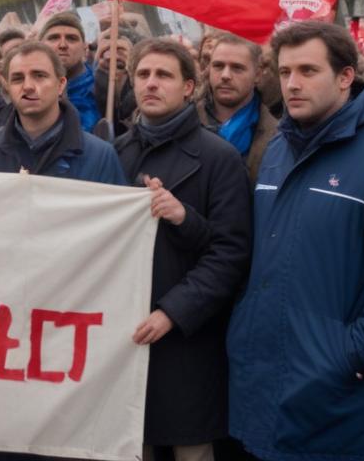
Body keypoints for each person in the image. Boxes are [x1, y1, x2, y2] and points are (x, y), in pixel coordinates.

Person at [227, 21, 364, 461]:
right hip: (270, 387)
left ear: (345, 77)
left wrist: (351, 355)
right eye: (285, 72)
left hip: (345, 400)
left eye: (308, 70)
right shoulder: (277, 152)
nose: (293, 84)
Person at [113, 39, 252, 461]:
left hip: (188, 339)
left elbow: (231, 253)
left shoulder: (220, 157)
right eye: (143, 75)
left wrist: (173, 312)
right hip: (124, 330)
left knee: (190, 448)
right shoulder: (115, 151)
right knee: (133, 446)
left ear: (189, 87)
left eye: (164, 75)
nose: (151, 84)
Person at [0, 42, 126, 184]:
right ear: (8, 88)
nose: (28, 87)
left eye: (39, 76)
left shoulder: (100, 156)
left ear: (60, 85)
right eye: (18, 79)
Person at [195, 35, 277, 180]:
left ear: (257, 75)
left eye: (237, 68)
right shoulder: (185, 123)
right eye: (218, 66)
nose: (225, 75)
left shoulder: (279, 136)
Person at [40, 13, 101, 133]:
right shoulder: (27, 87)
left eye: (71, 38)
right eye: (54, 38)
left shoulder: (103, 87)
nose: (62, 45)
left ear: (85, 48)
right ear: (40, 46)